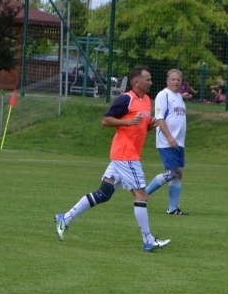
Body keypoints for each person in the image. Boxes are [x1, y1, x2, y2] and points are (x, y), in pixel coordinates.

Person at [54, 65, 171, 252]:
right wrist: (127, 121)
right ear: (136, 82)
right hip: (126, 155)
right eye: (147, 79)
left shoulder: (147, 99)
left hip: (123, 154)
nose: (150, 82)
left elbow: (138, 127)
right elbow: (106, 120)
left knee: (104, 193)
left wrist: (150, 126)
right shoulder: (126, 99)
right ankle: (148, 240)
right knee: (141, 194)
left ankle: (65, 218)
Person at [146, 68, 189, 215]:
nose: (176, 82)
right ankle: (143, 195)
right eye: (173, 79)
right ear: (167, 81)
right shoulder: (163, 95)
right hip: (167, 141)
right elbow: (159, 118)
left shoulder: (179, 97)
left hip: (178, 142)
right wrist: (170, 137)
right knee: (172, 173)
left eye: (178, 80)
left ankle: (172, 208)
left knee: (178, 173)